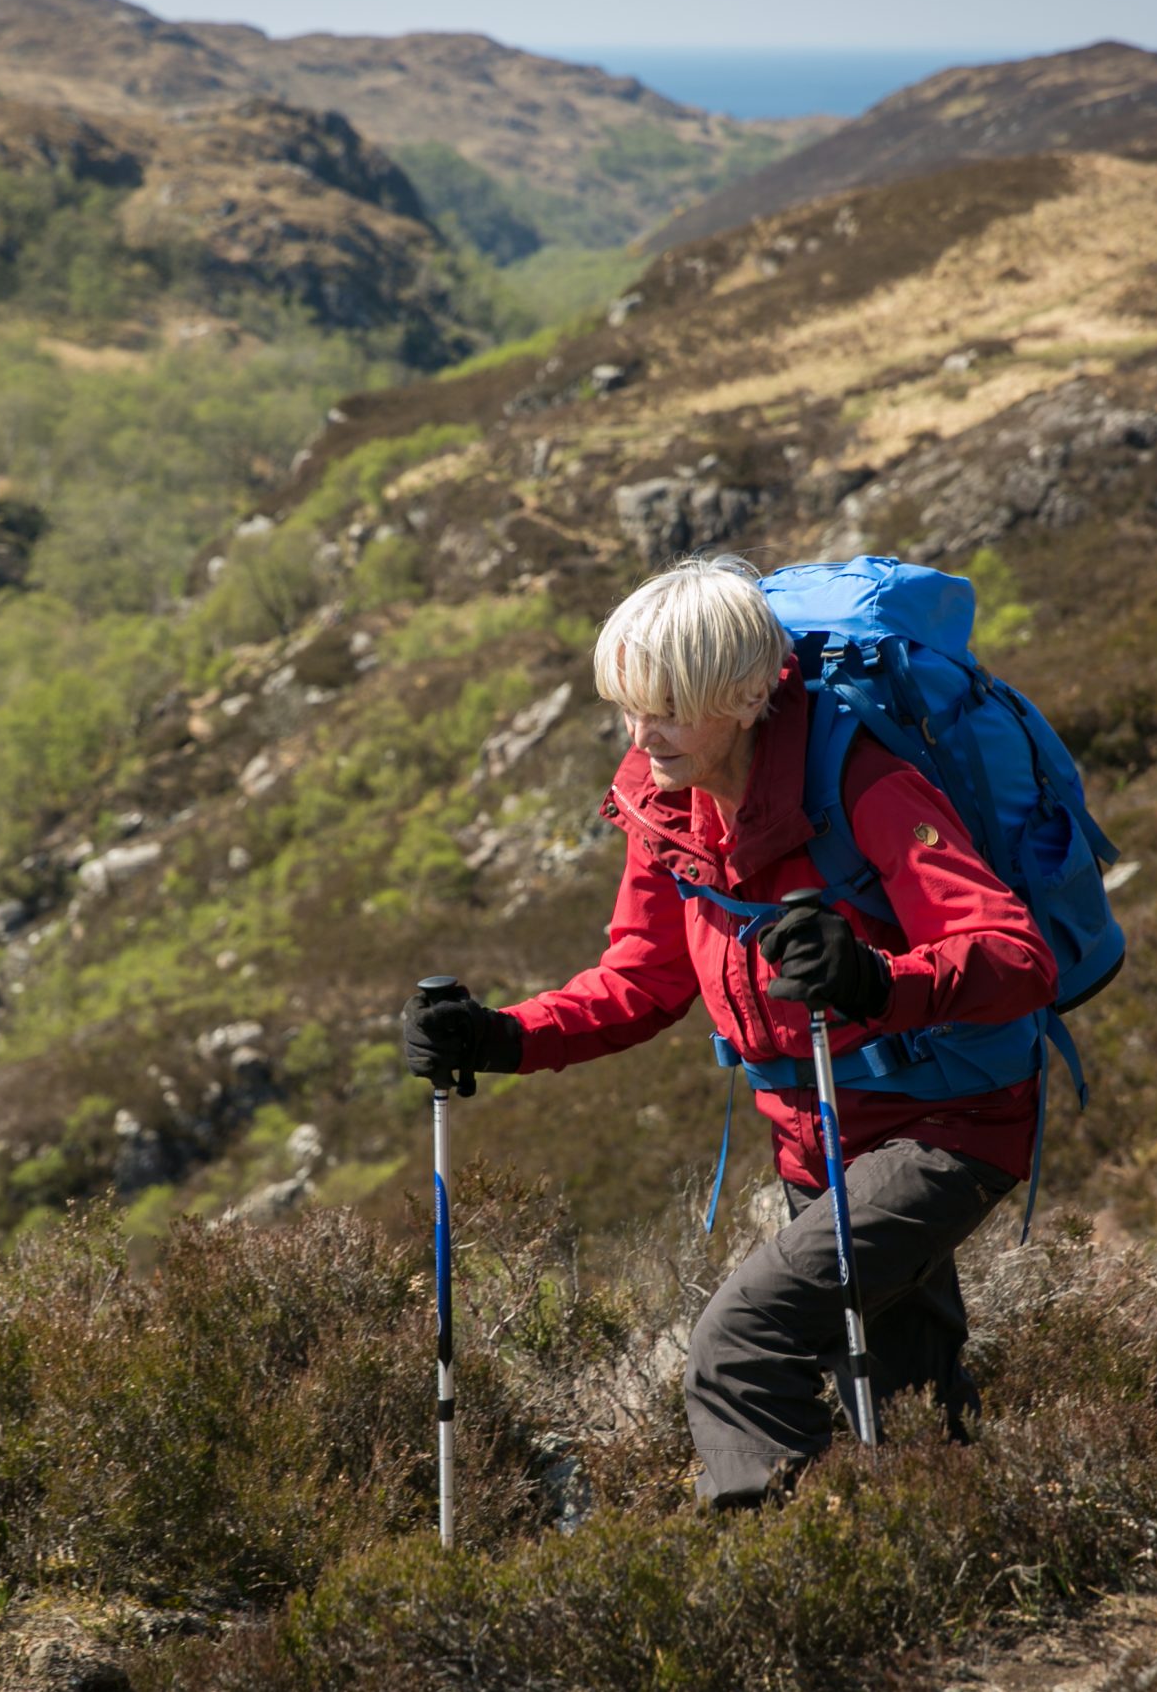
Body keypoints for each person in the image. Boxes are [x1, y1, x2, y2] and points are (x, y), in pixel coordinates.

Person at [403, 554, 1058, 1507]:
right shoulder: (663, 798)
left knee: (740, 1343)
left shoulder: (863, 782)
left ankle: (772, 1586)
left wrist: (879, 978)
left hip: (946, 1123)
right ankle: (947, 1573)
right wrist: (503, 1036)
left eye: (667, 705)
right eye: (628, 705)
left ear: (750, 694)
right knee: (910, 1409)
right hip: (816, 1139)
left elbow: (1014, 953)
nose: (641, 732)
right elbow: (642, 978)